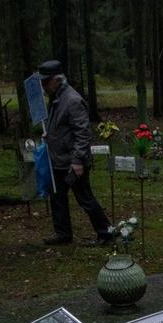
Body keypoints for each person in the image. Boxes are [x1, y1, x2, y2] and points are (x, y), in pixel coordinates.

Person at [37, 60, 112, 246]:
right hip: (58, 159)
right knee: (57, 198)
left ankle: (106, 233)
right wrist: (50, 134)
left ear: (56, 80)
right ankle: (63, 234)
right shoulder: (56, 98)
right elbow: (62, 126)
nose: (44, 86)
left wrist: (77, 160)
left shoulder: (72, 100)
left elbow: (83, 133)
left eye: (46, 82)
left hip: (73, 162)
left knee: (85, 199)